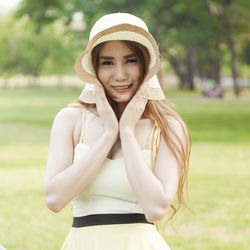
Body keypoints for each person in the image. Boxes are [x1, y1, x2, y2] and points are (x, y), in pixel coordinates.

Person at [44, 13, 191, 250]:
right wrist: (109, 134)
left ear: (145, 65)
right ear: (94, 68)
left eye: (130, 60)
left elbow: (156, 209)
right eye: (108, 62)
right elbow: (54, 199)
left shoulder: (167, 127)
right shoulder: (70, 120)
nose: (120, 74)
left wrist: (128, 133)